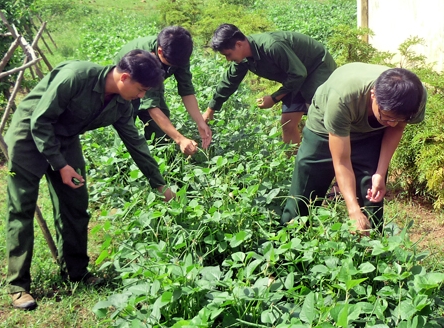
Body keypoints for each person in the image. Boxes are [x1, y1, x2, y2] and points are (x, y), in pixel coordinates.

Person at [4, 49, 174, 310]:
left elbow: (135, 142)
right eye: (140, 89)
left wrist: (158, 183)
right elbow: (40, 121)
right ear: (124, 77)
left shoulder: (120, 103)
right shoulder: (76, 76)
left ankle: (76, 271)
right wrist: (60, 165)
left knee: (75, 204)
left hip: (65, 140)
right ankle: (19, 286)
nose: (141, 96)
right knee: (22, 207)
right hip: (29, 133)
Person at [281, 62, 427, 233]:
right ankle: (289, 242)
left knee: (371, 193)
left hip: (370, 133)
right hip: (324, 129)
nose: (392, 123)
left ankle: (370, 248)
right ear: (373, 95)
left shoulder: (414, 96)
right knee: (305, 192)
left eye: (398, 118)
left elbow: (398, 127)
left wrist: (380, 173)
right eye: (387, 116)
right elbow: (342, 161)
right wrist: (353, 209)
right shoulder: (343, 97)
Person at [202, 23, 337, 146]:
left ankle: (335, 162)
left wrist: (274, 98)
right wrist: (210, 110)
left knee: (321, 123)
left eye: (228, 54)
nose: (228, 59)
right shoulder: (243, 59)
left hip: (316, 69)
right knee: (287, 124)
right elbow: (229, 81)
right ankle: (293, 166)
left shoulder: (271, 46)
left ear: (238, 44)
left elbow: (299, 74)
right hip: (294, 77)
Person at [114, 26, 212, 156]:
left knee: (160, 132)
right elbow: (151, 106)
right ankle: (118, 166)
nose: (175, 67)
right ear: (160, 51)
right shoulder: (147, 58)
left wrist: (200, 122)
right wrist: (180, 139)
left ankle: (159, 160)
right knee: (125, 123)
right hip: (127, 85)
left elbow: (186, 89)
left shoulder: (179, 53)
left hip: (152, 81)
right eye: (171, 64)